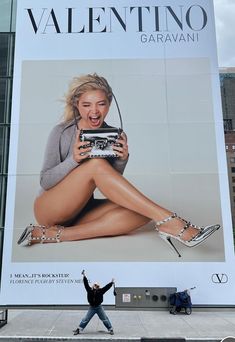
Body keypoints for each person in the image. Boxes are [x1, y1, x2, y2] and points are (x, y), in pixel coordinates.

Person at [17, 73, 220, 257]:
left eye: (101, 104)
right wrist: (74, 160)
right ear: (76, 105)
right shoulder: (61, 132)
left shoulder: (113, 133)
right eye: (87, 105)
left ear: (109, 103)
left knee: (143, 213)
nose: (94, 111)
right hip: (49, 208)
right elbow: (45, 180)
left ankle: (58, 235)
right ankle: (173, 222)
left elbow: (110, 186)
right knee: (96, 164)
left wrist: (122, 159)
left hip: (82, 211)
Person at [73, 270, 115, 335]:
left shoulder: (101, 291)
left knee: (104, 318)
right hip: (92, 307)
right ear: (93, 285)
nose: (96, 286)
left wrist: (111, 283)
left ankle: (110, 329)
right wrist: (84, 275)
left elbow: (106, 287)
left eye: (97, 286)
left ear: (99, 287)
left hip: (99, 307)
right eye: (95, 285)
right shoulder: (89, 290)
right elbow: (85, 283)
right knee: (86, 319)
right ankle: (78, 329)